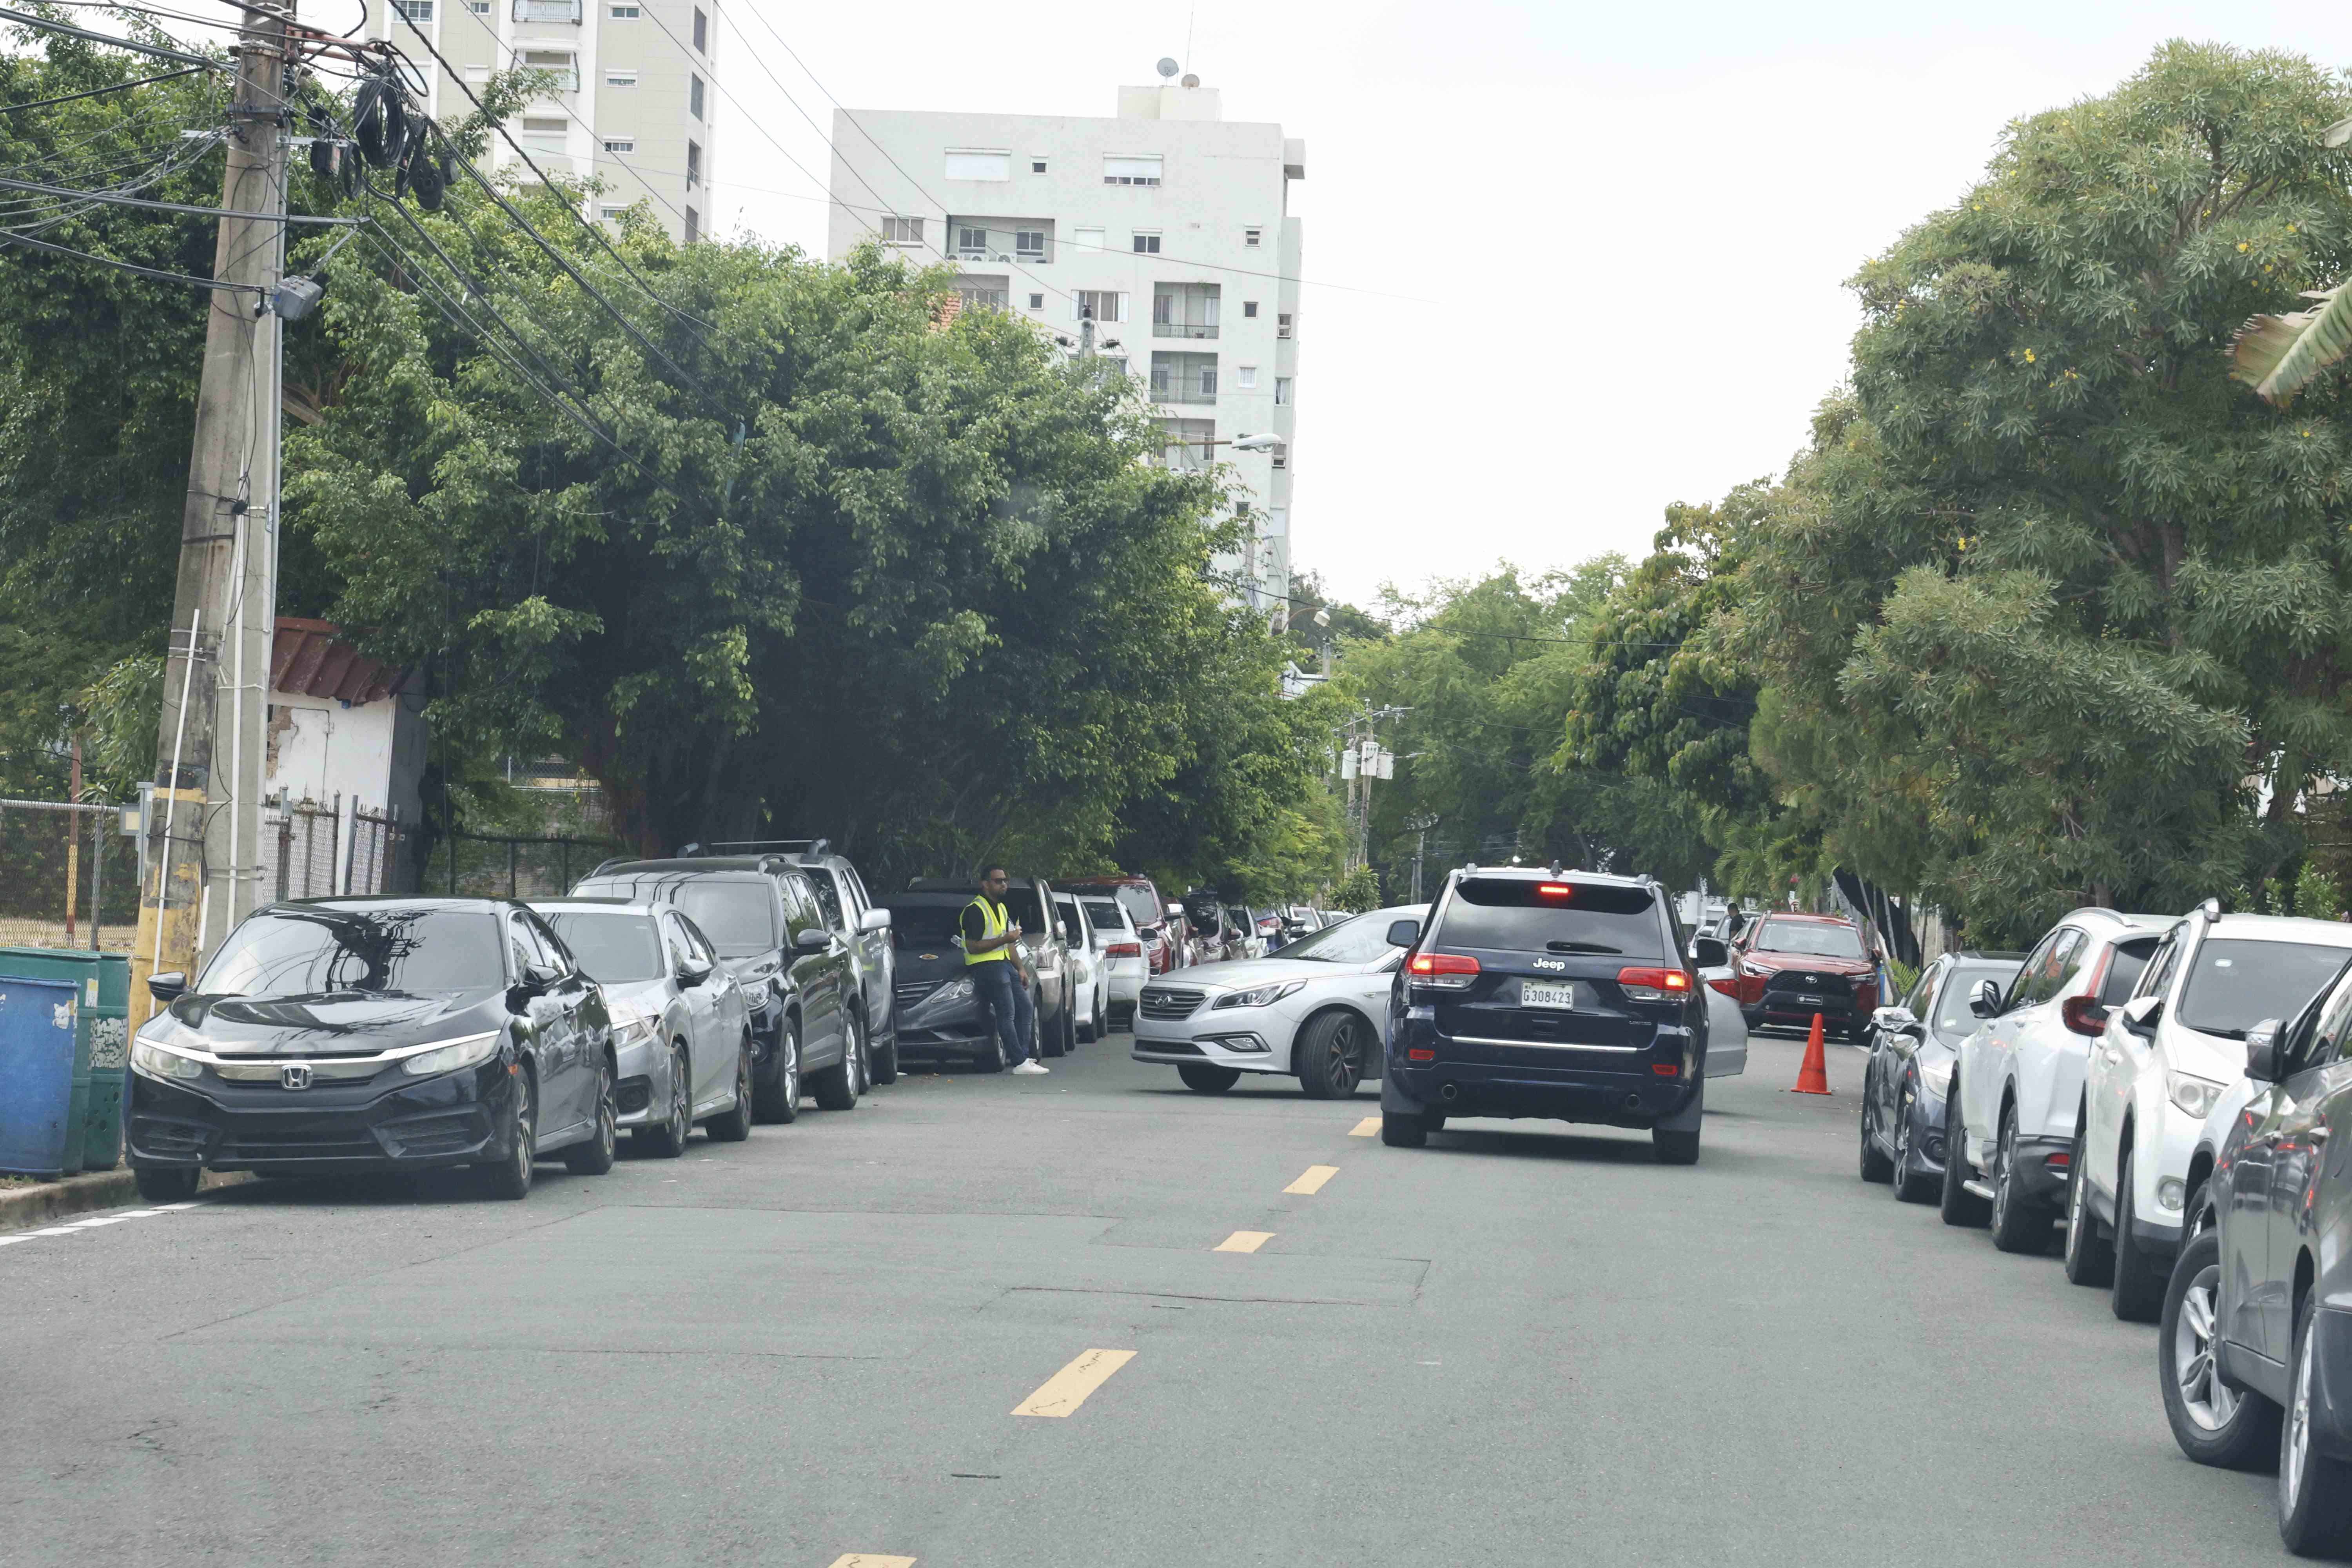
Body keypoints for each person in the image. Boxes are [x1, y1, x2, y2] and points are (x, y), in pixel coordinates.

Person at [962, 864, 1045, 1075]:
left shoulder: (1001, 908)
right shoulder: (975, 910)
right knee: (1006, 1013)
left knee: (1025, 1009)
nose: (1004, 885)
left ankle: (1024, 1057)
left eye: (1005, 880)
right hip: (986, 967)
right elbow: (972, 946)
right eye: (998, 881)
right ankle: (1019, 1061)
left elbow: (1010, 944)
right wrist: (1005, 939)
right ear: (985, 884)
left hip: (1005, 964)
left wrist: (1021, 969)